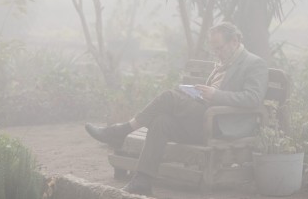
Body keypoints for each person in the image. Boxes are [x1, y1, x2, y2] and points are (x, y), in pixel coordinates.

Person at [85, 22, 268, 196]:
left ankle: (122, 131)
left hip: (222, 124)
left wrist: (215, 95)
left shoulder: (253, 63)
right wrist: (197, 93)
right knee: (161, 121)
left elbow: (253, 98)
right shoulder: (225, 63)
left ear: (234, 41)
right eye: (214, 49)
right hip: (204, 118)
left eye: (219, 48)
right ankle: (143, 180)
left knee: (168, 97)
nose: (217, 53)